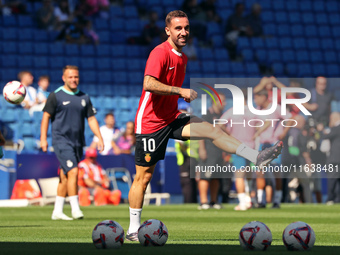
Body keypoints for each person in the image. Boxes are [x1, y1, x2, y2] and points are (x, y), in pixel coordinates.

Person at [126, 10, 282, 241]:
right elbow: (148, 84)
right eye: (178, 28)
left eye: (186, 27)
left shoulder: (183, 57)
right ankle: (132, 230)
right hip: (150, 122)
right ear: (167, 30)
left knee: (212, 130)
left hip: (171, 117)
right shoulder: (159, 53)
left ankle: (255, 156)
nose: (184, 32)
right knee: (144, 178)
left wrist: (178, 98)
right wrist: (180, 91)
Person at [40, 65, 104, 220]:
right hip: (61, 140)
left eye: (76, 76)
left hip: (77, 142)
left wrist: (99, 137)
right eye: (70, 77)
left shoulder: (84, 97)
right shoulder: (56, 96)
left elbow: (91, 118)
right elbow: (46, 117)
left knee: (65, 175)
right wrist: (43, 138)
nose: (73, 79)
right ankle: (75, 209)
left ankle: (57, 211)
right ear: (64, 78)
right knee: (74, 171)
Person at [197, 93, 226, 210]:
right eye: (223, 101)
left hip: (219, 151)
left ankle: (214, 201)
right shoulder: (207, 115)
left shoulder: (222, 115)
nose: (225, 104)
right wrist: (202, 149)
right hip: (208, 150)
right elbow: (200, 133)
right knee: (205, 176)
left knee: (216, 176)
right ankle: (204, 202)